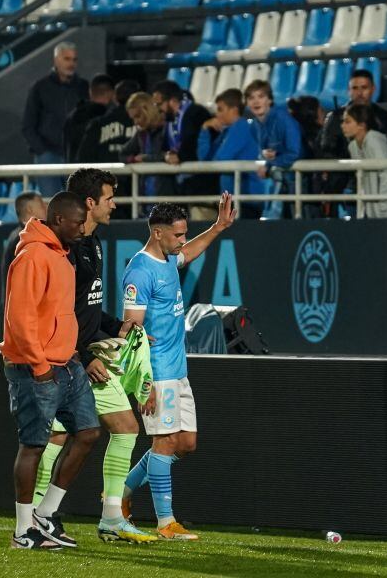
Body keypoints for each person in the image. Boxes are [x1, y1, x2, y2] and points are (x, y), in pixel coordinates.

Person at [32, 168, 158, 545]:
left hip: (82, 354)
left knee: (64, 436)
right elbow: (59, 311)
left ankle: (43, 519)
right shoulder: (64, 247)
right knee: (120, 428)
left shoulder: (93, 242)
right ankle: (51, 518)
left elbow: (87, 307)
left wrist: (117, 326)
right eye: (108, 197)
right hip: (72, 357)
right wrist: (85, 354)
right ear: (90, 203)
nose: (114, 204)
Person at [121, 196, 236, 540]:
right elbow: (132, 332)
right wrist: (146, 383)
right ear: (158, 233)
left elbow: (190, 253)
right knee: (165, 442)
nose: (183, 240)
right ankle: (165, 523)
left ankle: (121, 495)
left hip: (178, 368)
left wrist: (218, 227)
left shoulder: (168, 258)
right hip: (158, 372)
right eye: (178, 235)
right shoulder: (140, 271)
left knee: (185, 444)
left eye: (185, 233)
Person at [0, 191, 101, 551]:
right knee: (33, 446)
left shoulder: (63, 254)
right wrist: (40, 365)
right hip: (35, 368)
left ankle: (46, 514)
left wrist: (71, 353)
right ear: (58, 220)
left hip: (67, 363)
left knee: (88, 432)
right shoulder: (31, 256)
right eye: (77, 223)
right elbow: (19, 319)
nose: (82, 228)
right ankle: (22, 530)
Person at [21, 42, 89, 196]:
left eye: (74, 60)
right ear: (56, 60)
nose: (71, 64)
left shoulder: (84, 87)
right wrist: (42, 151)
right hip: (48, 155)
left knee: (77, 206)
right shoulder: (40, 87)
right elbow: (28, 125)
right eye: (67, 59)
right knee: (51, 206)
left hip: (75, 156)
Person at [152, 80, 214, 220]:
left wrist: (180, 156)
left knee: (202, 233)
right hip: (181, 190)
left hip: (202, 189)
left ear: (172, 100)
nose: (157, 109)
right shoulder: (168, 122)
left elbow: (196, 143)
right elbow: (163, 149)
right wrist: (167, 156)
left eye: (159, 104)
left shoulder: (197, 112)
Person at [197, 88, 261, 216]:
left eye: (221, 109)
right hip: (235, 199)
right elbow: (204, 159)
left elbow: (220, 160)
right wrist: (204, 130)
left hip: (246, 199)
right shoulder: (226, 132)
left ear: (234, 110)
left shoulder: (242, 127)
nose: (217, 114)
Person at [244, 79, 301, 219]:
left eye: (261, 96)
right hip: (278, 182)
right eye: (251, 98)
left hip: (297, 182)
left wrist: (270, 164)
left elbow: (295, 152)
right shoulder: (254, 125)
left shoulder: (283, 118)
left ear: (269, 100)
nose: (256, 102)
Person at [341, 104, 387, 218]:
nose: (342, 125)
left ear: (361, 125)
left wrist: (383, 208)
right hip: (374, 213)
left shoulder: (375, 141)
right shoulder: (353, 146)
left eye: (347, 122)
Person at [121, 92, 172, 206]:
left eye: (137, 116)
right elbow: (123, 154)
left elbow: (170, 156)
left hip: (167, 196)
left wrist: (145, 159)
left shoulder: (168, 128)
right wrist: (134, 159)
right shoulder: (141, 134)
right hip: (146, 198)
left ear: (147, 109)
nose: (136, 122)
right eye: (133, 118)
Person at [0, 190, 47, 308]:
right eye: (41, 204)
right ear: (30, 210)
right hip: (24, 313)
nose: (46, 207)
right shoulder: (22, 239)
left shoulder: (23, 235)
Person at [76, 79, 140, 165]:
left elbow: (84, 157)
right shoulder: (144, 125)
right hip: (134, 176)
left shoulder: (98, 124)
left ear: (115, 97)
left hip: (105, 176)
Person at [63, 74, 116, 164]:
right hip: (101, 173)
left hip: (75, 172)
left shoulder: (72, 117)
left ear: (90, 91)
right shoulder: (108, 118)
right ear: (111, 93)